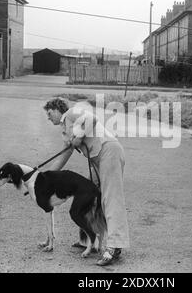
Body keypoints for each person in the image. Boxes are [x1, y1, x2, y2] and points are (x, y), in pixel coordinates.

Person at [43, 98, 130, 266]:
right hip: (98, 159)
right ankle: (88, 240)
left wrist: (80, 136)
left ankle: (114, 246)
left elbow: (92, 118)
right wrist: (44, 179)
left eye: (49, 113)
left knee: (110, 199)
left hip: (109, 152)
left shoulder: (71, 113)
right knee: (87, 196)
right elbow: (63, 156)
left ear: (56, 109)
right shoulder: (65, 128)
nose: (48, 118)